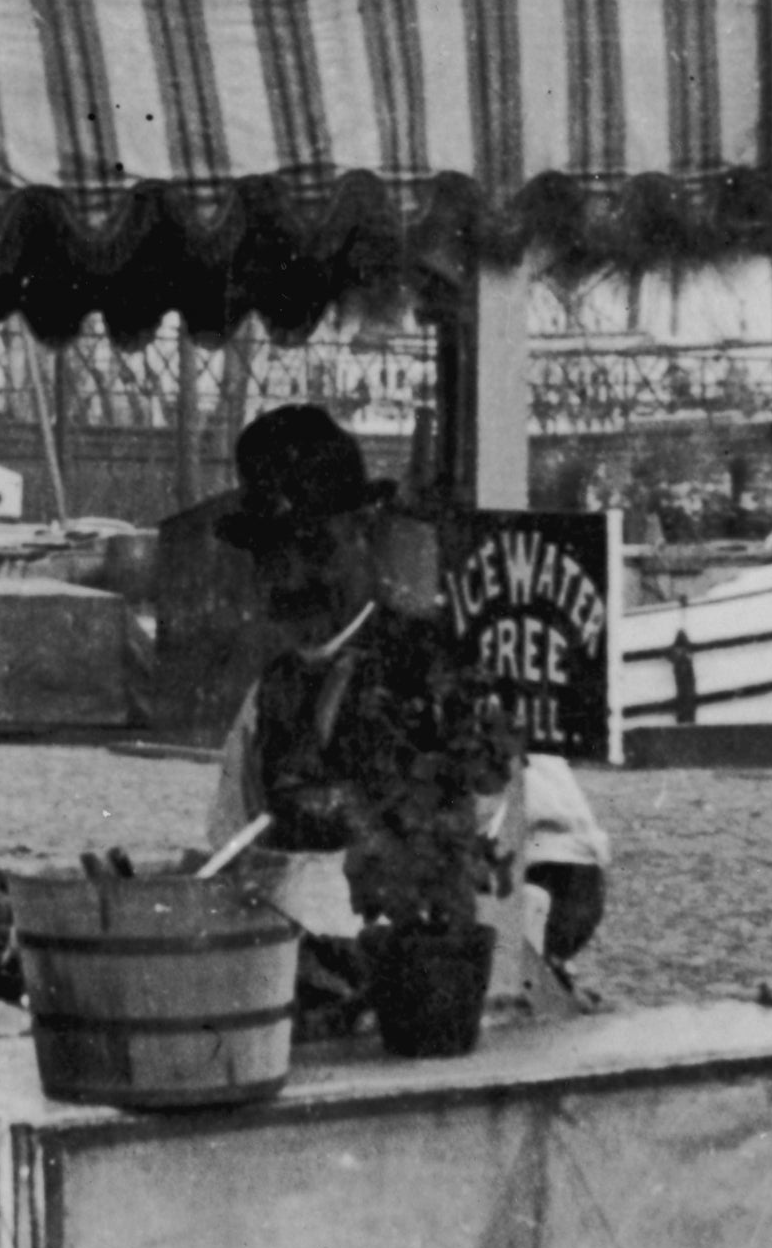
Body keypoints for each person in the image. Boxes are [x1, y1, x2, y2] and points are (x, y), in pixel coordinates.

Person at [204, 402, 608, 1007]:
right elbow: (228, 862)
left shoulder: (446, 667)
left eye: (314, 548)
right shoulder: (268, 702)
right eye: (271, 554)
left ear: (364, 529)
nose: (290, 578)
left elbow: (569, 867)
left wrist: (466, 952)